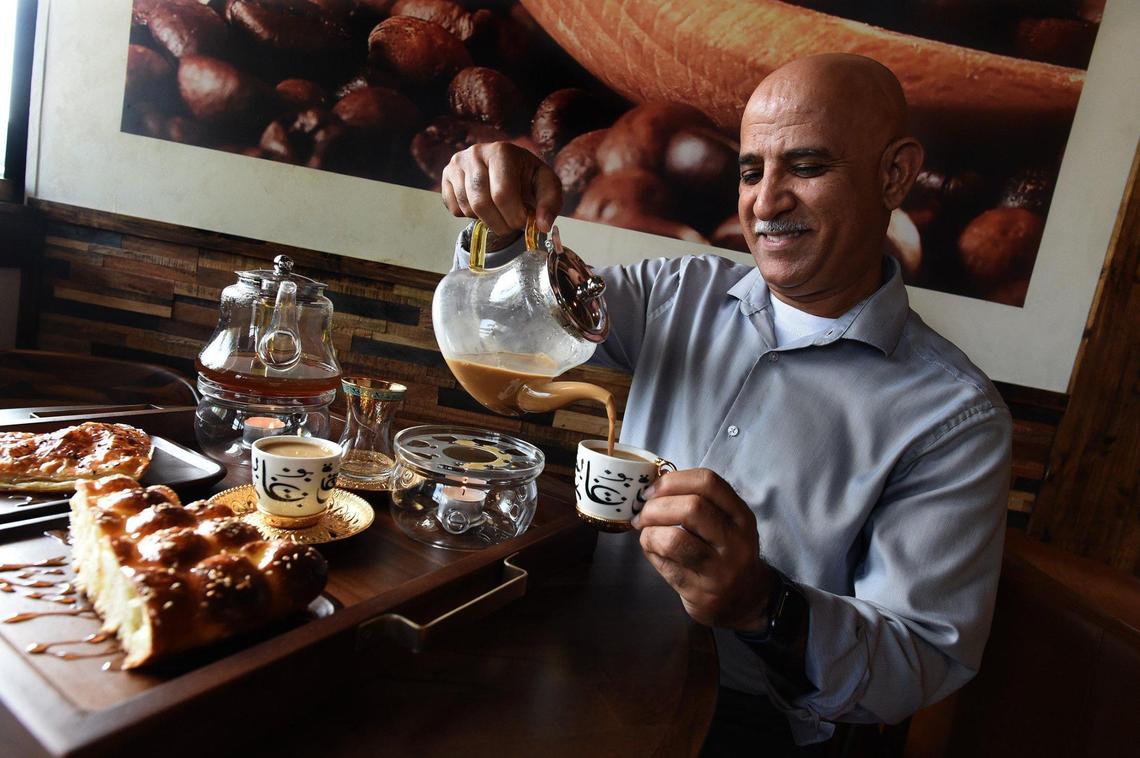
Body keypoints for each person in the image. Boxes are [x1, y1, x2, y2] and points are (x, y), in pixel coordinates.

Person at [440, 53, 1012, 753]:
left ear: (894, 173)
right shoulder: (674, 291)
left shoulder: (954, 417)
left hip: (746, 723)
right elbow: (525, 325)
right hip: (580, 654)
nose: (766, 203)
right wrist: (503, 221)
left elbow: (919, 661)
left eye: (805, 167)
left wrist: (759, 604)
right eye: (750, 171)